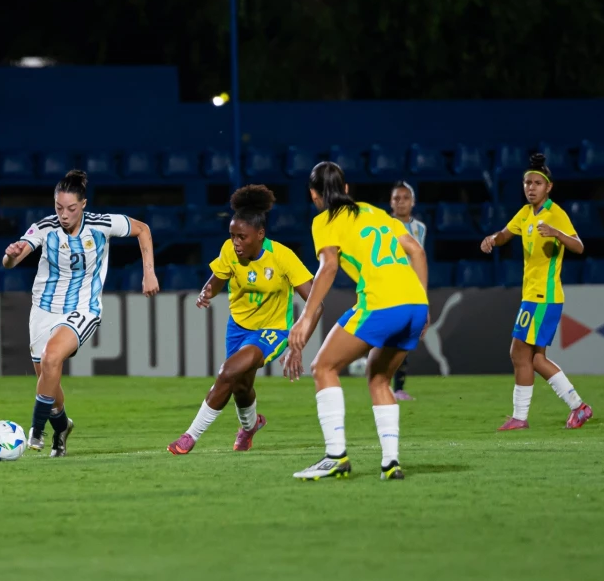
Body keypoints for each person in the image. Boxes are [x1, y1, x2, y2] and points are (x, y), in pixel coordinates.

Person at [287, 162, 429, 481]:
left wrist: (305, 318)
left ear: (313, 195)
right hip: (415, 304)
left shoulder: (324, 221)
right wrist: (424, 302)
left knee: (323, 367)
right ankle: (390, 463)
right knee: (378, 377)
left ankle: (335, 456)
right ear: (347, 189)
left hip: (382, 303)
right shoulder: (375, 212)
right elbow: (417, 251)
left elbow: (329, 267)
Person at [2, 169, 160, 457]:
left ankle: (35, 432)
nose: (64, 214)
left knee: (51, 358)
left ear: (83, 205)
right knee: (47, 377)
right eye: (59, 207)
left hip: (83, 309)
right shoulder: (44, 227)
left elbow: (143, 230)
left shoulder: (102, 225)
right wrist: (11, 254)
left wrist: (148, 273)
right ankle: (61, 426)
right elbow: (11, 261)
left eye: (71, 208)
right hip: (43, 310)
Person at [167, 185, 322, 455]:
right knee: (241, 385)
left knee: (227, 372)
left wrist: (298, 343)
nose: (236, 242)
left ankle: (189, 436)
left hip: (273, 330)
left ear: (260, 235)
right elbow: (218, 279)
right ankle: (250, 426)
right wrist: (207, 291)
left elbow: (315, 302)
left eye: (242, 237)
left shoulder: (282, 257)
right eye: (233, 236)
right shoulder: (230, 251)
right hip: (238, 328)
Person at [481, 153, 591, 431]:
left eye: (536, 183)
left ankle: (534, 414)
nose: (530, 188)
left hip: (544, 296)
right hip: (533, 295)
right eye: (527, 183)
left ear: (548, 187)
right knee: (535, 358)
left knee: (519, 353)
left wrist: (557, 233)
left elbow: (578, 246)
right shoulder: (525, 213)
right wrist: (493, 239)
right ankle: (574, 408)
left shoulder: (556, 214)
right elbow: (507, 233)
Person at [388, 180, 427, 401]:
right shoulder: (384, 225)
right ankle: (382, 380)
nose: (401, 202)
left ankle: (398, 387)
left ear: (413, 202)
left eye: (405, 198)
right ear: (391, 202)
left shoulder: (420, 228)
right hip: (390, 287)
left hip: (411, 291)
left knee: (404, 340)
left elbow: (420, 258)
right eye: (396, 198)